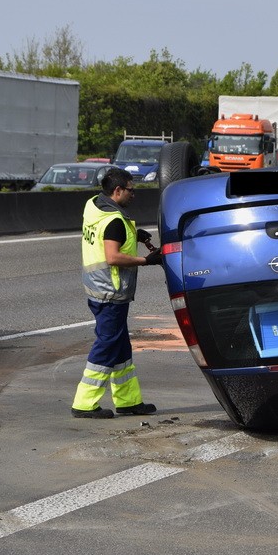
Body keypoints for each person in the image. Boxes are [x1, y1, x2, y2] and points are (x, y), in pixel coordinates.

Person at [71, 167, 163, 418]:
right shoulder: (114, 222)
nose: (134, 194)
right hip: (110, 292)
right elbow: (112, 256)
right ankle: (84, 403)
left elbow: (113, 235)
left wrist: (136, 234)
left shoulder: (94, 207)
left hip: (98, 289)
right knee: (107, 345)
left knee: (121, 347)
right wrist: (147, 261)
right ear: (118, 190)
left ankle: (128, 401)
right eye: (131, 190)